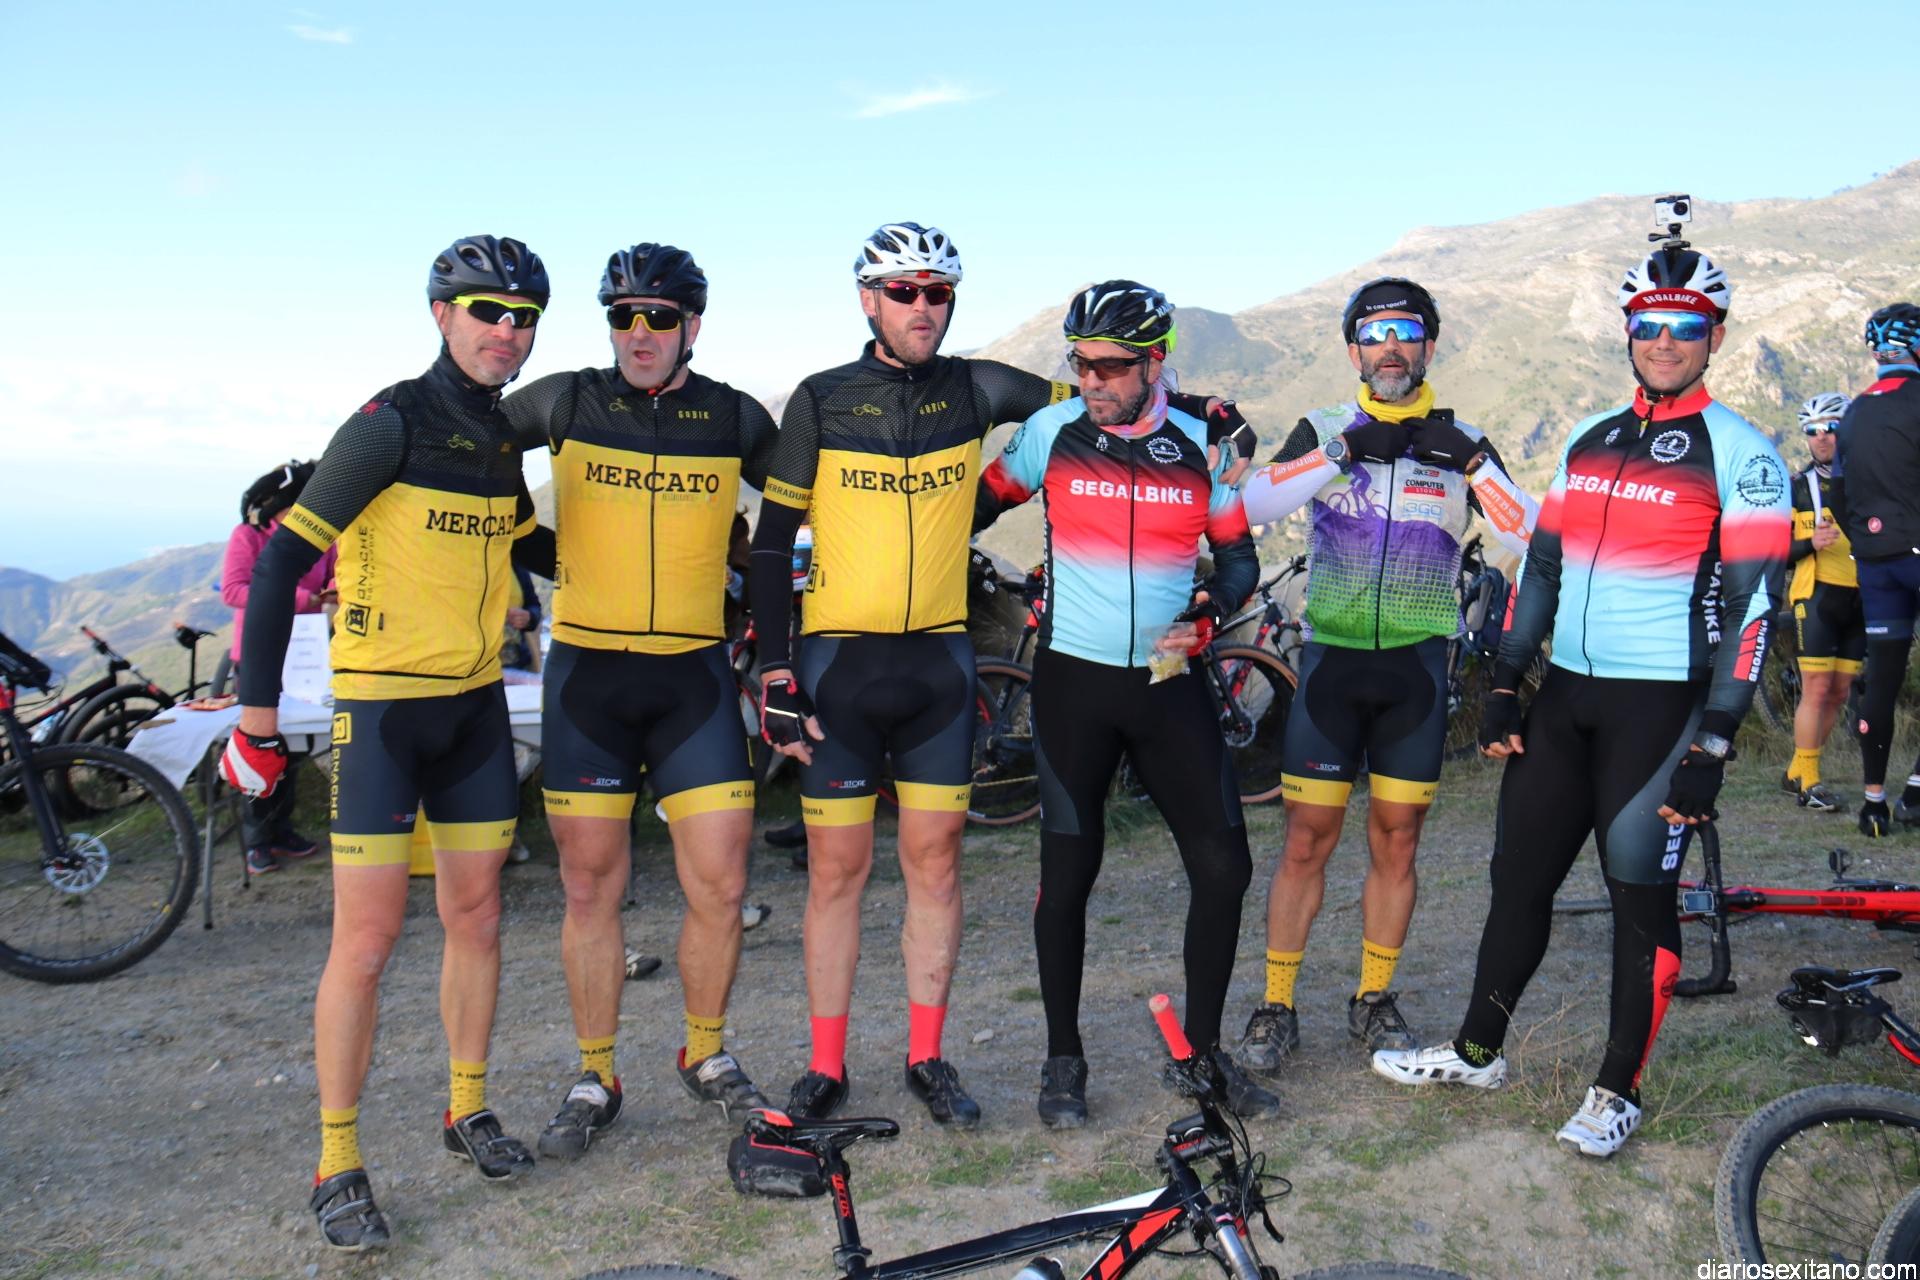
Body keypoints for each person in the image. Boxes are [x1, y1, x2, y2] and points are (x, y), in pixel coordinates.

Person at [748, 224, 1249, 1128]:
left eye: (936, 291)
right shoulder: (828, 399)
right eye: (903, 291)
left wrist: (1210, 412)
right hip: (865, 661)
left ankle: (939, 1059)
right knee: (847, 873)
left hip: (977, 665)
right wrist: (778, 667)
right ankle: (840, 1066)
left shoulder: (990, 389)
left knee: (945, 866)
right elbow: (785, 538)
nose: (921, 307)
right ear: (868, 298)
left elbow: (1114, 411)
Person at [1371, 239, 1791, 1159]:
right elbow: (1545, 569)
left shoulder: (1743, 453)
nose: (1665, 340)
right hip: (1566, 699)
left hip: (1661, 709)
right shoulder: (1590, 437)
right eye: (1650, 324)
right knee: (1517, 880)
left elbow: (1755, 608)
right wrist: (1506, 683)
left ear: (1716, 338)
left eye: (1686, 326)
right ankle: (1477, 1052)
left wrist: (1715, 742)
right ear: (1629, 332)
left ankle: (1616, 1090)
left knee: (1639, 898)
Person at [220, 235, 550, 1249]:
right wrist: (257, 723)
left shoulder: (501, 440)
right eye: (488, 310)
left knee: (478, 917)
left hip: (475, 710)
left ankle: (467, 1106)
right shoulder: (388, 422)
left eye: (524, 317)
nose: (507, 331)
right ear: (442, 314)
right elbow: (279, 568)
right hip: (381, 714)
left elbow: (532, 545)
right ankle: (337, 1159)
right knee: (365, 943)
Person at [499, 243, 779, 1158]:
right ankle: (595, 1074)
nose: (640, 333)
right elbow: (465, 439)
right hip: (590, 677)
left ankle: (705, 1052)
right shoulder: (566, 401)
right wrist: (541, 550)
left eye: (660, 317)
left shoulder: (733, 415)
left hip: (692, 677)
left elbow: (808, 493)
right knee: (590, 888)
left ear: (693, 324)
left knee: (723, 882)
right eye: (623, 316)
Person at [974, 281, 1274, 1126]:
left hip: (1167, 686)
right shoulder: (1051, 432)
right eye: (1081, 363)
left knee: (1226, 867)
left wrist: (1211, 610)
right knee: (1068, 874)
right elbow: (970, 510)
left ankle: (1201, 1057)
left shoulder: (1203, 445)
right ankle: (1062, 1060)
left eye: (1111, 365)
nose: (1092, 380)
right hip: (1074, 682)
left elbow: (1239, 561)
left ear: (1155, 363)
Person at [1230, 278, 1539, 1072]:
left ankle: (1373, 998)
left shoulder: (1465, 438)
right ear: (1354, 352)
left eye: (1405, 332)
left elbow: (1533, 538)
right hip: (1331, 667)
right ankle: (1276, 1004)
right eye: (1375, 334)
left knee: (1398, 841)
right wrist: (1341, 453)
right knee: (1306, 841)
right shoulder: (1325, 426)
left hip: (1415, 675)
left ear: (1428, 346)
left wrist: (1472, 462)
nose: (1390, 347)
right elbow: (1250, 507)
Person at [221, 459, 335, 876]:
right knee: (261, 744)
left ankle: (282, 828)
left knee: (294, 748)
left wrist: (333, 589)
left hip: (306, 655)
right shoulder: (249, 537)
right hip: (259, 656)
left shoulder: (321, 538)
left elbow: (336, 574)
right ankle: (257, 839)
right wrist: (304, 598)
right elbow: (234, 591)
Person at [1833, 304, 1920, 836]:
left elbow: (1838, 492)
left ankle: (1873, 804)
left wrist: (1866, 541)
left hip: (1874, 561)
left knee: (1881, 682)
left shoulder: (1854, 412)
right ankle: (1916, 792)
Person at [1780, 392, 1859, 813]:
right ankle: (1809, 781)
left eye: (1831, 427)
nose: (1822, 437)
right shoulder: (1797, 487)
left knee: (1840, 692)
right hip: (1816, 595)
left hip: (1862, 596)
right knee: (1817, 687)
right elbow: (1772, 551)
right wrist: (1809, 542)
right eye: (1812, 430)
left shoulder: (1868, 481)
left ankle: (1796, 769)